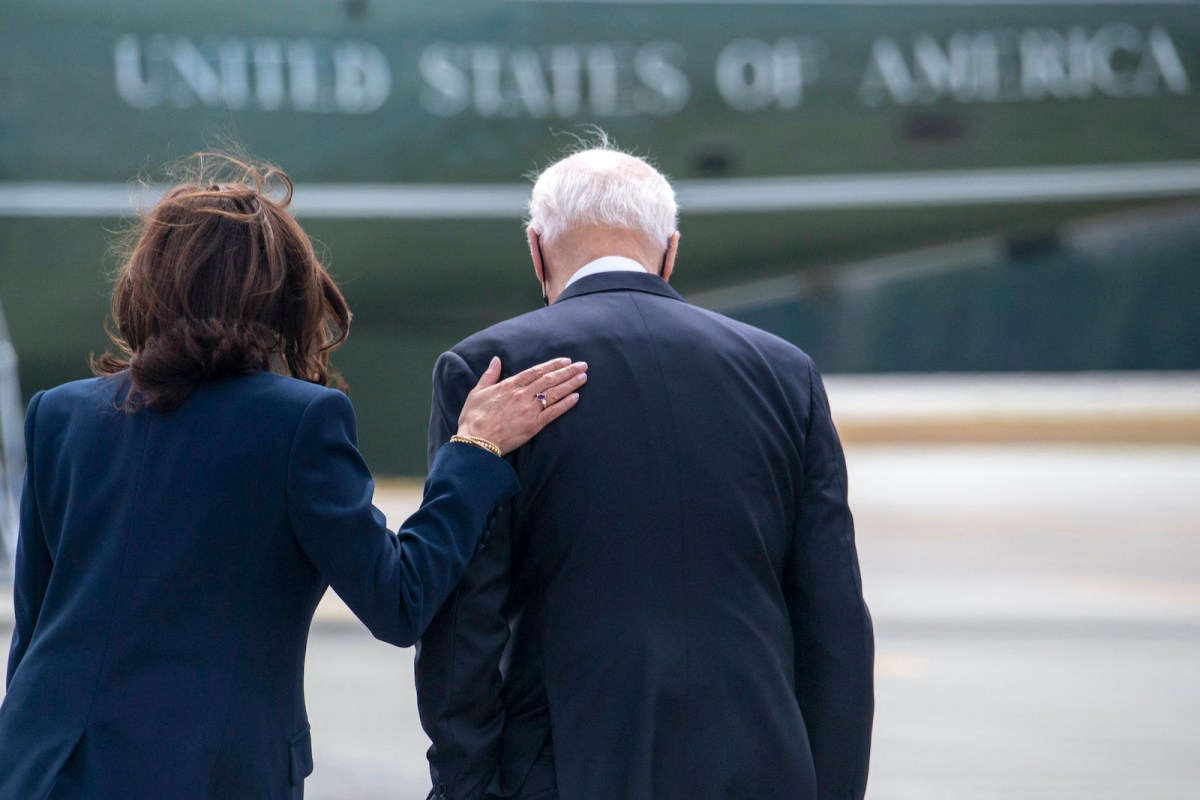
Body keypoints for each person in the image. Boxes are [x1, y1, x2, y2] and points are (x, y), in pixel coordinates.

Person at [0, 153, 587, 800]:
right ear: (281, 295)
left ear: (148, 282)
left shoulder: (60, 413)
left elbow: (34, 626)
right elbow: (398, 600)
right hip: (208, 772)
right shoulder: (298, 421)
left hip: (39, 760)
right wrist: (474, 449)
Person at [417, 141, 874, 800]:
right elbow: (834, 622)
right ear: (670, 252)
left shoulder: (491, 371)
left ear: (536, 249)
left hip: (564, 770)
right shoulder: (784, 373)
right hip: (763, 769)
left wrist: (464, 787)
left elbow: (466, 620)